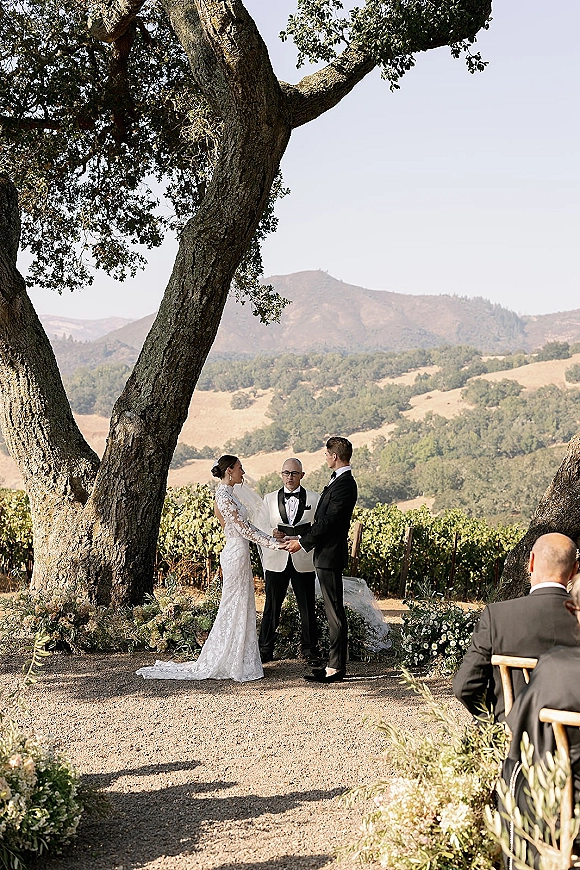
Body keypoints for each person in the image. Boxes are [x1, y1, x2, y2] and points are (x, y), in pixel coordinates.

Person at [136, 455, 281, 683]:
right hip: (234, 553)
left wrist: (271, 537)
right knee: (234, 604)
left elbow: (247, 527)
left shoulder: (228, 495)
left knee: (243, 604)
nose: (243, 473)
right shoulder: (223, 496)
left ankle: (240, 658)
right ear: (230, 470)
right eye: (240, 468)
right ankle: (229, 660)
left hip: (239, 552)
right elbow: (242, 529)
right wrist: (273, 544)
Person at [453, 532, 580, 721]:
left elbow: (465, 686)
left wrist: (498, 720)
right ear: (574, 570)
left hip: (510, 739)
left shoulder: (497, 616)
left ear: (531, 562)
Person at [501, 574, 580, 868]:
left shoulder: (554, 668)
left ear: (572, 610)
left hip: (566, 817)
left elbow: (516, 732)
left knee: (515, 769)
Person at [285, 436, 357, 684]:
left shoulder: (345, 484)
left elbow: (327, 523)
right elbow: (320, 523)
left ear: (334, 456)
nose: (325, 458)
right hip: (325, 554)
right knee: (332, 610)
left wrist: (302, 543)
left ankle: (336, 667)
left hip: (330, 554)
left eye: (327, 454)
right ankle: (333, 664)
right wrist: (295, 534)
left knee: (334, 611)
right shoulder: (338, 481)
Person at [259, 457, 321, 665]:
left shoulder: (315, 498)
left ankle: (310, 650)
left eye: (294, 473)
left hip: (303, 559)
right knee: (271, 606)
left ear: (302, 475)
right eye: (286, 473)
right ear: (281, 474)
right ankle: (265, 650)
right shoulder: (268, 499)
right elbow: (260, 525)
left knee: (307, 607)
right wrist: (272, 532)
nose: (289, 477)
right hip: (276, 559)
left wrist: (303, 539)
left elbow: (320, 527)